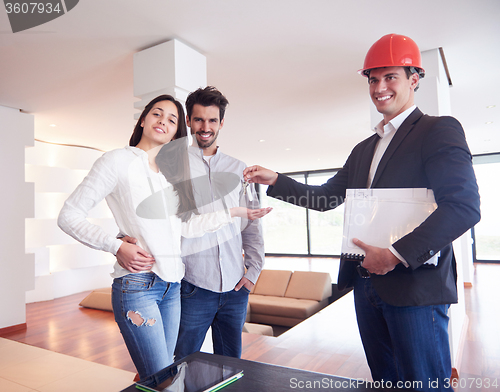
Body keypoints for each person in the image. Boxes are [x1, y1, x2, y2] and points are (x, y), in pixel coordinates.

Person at [243, 34, 480, 391]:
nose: (379, 87)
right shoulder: (363, 149)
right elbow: (325, 198)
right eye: (373, 79)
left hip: (415, 288)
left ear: (414, 79)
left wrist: (396, 255)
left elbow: (463, 207)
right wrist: (276, 179)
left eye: (390, 77)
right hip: (367, 288)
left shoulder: (437, 130)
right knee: (386, 382)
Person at [57, 94, 270, 383]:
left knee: (167, 377)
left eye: (171, 120)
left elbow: (186, 227)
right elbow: (69, 215)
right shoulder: (116, 160)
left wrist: (233, 211)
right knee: (163, 379)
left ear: (176, 133)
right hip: (141, 284)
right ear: (143, 119)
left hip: (172, 287)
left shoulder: (169, 175)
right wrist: (116, 245)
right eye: (157, 114)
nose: (163, 122)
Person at [173, 86, 266, 361]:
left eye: (212, 120)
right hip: (192, 287)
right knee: (182, 363)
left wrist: (253, 272)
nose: (205, 127)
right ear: (189, 121)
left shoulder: (240, 169)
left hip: (236, 288)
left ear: (221, 123)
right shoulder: (174, 167)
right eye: (199, 119)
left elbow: (253, 224)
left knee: (230, 366)